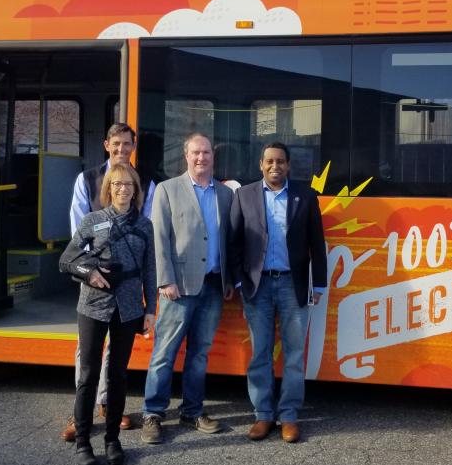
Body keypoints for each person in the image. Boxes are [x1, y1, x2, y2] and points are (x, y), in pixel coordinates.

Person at [228, 142, 328, 443]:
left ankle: (289, 416)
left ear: (288, 165)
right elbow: (233, 242)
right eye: (270, 161)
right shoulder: (244, 196)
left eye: (281, 161)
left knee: (294, 355)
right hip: (257, 287)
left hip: (292, 285)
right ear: (261, 164)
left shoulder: (306, 196)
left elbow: (317, 243)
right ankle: (263, 415)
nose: (275, 166)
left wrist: (319, 284)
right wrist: (238, 282)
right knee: (260, 353)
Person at [63, 123, 155, 441]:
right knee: (86, 350)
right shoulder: (86, 179)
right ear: (106, 145)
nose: (121, 150)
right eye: (116, 144)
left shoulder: (144, 182)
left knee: (116, 355)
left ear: (133, 146)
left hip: (128, 283)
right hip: (94, 277)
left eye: (127, 144)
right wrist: (94, 269)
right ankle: (82, 414)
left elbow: (147, 228)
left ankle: (106, 405)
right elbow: (78, 229)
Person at [141, 132, 234, 444]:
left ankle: (192, 411)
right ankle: (153, 413)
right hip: (177, 287)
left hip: (213, 286)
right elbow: (159, 238)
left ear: (213, 156)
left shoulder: (225, 194)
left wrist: (229, 280)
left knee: (200, 354)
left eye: (206, 152)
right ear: (186, 156)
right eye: (196, 153)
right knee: (164, 352)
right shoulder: (168, 189)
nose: (201, 158)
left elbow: (228, 241)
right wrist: (165, 279)